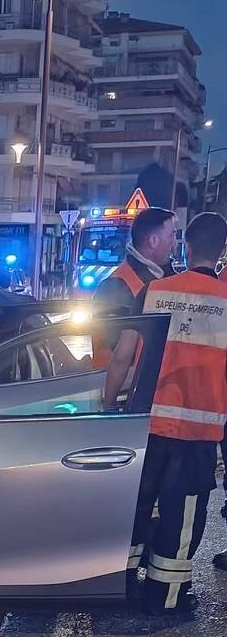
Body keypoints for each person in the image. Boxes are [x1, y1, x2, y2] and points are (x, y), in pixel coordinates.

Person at [103, 212, 227, 615]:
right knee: (182, 515)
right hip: (198, 430)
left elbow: (122, 355)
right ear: (221, 250)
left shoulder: (155, 290)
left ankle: (119, 584)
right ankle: (167, 597)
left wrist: (107, 408)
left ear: (187, 246)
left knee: (137, 505)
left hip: (149, 422)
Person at [91, 206, 176, 368]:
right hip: (127, 385)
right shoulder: (114, 287)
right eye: (171, 235)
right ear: (153, 241)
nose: (174, 244)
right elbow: (115, 352)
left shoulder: (167, 277)